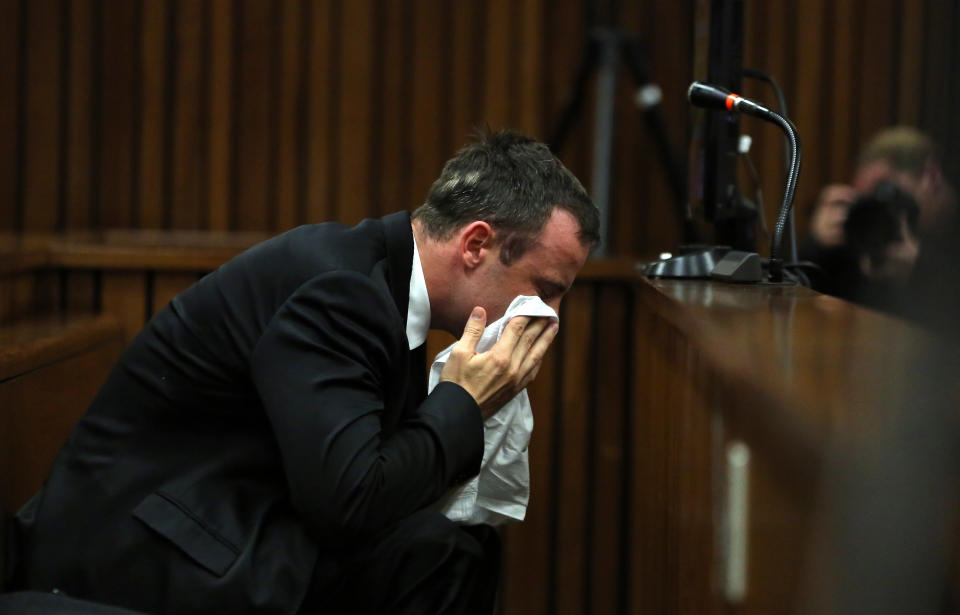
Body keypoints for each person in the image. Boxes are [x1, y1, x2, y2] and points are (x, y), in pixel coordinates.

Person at [5, 129, 600, 615]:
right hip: (145, 548)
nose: (548, 318)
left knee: (441, 549)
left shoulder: (385, 282)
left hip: (229, 519)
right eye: (545, 292)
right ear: (476, 245)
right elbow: (348, 502)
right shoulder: (343, 291)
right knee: (438, 555)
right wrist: (463, 403)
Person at [802, 126, 956, 308]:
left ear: (931, 177)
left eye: (884, 191)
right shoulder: (862, 242)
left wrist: (919, 269)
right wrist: (817, 248)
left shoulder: (948, 245)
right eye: (865, 198)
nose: (875, 207)